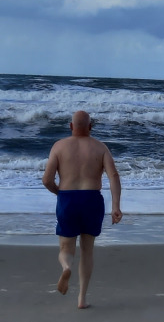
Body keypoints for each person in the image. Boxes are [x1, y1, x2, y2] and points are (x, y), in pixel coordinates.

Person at [41, 110, 122, 308]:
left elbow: (47, 180)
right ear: (90, 127)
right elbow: (113, 176)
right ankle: (82, 299)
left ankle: (66, 267)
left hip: (68, 199)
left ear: (71, 126)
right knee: (87, 251)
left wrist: (60, 193)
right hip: (92, 200)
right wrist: (116, 206)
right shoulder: (100, 147)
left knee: (66, 248)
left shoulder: (59, 146)